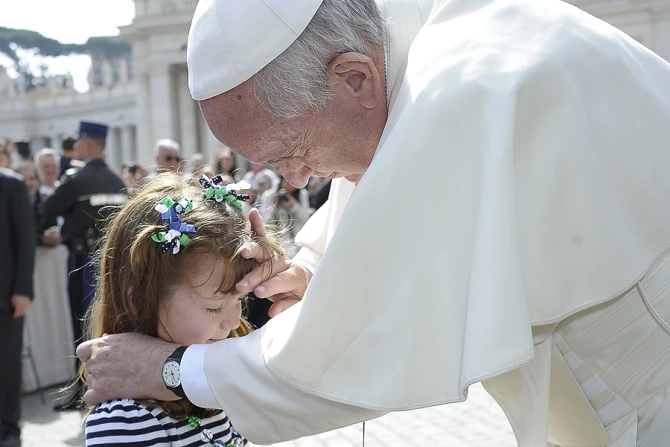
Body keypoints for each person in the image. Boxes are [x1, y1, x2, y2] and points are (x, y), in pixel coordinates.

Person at [79, 1, 670, 446]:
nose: (292, 180)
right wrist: (313, 269)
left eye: (290, 150)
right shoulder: (414, 58)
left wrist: (174, 370)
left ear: (354, 77)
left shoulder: (469, 93)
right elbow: (387, 191)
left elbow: (369, 350)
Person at [83, 173, 280, 446]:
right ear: (140, 302)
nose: (234, 321)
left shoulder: (212, 389)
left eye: (239, 301)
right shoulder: (127, 421)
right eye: (214, 307)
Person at [44, 121, 128, 411]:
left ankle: (84, 392)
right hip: (111, 262)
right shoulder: (117, 180)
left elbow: (47, 210)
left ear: (89, 144)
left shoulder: (76, 179)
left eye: (80, 141)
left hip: (82, 262)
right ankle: (107, 387)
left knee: (83, 328)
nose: (76, 145)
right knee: (106, 326)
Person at [0, 167, 35, 447]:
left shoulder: (11, 184)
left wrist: (23, 290)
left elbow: (26, 241)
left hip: (6, 297)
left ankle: (9, 429)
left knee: (7, 365)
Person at [14, 163, 60, 247]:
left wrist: (52, 234)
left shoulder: (45, 201)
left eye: (31, 179)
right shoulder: (8, 205)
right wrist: (40, 239)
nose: (28, 184)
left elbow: (52, 225)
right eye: (23, 180)